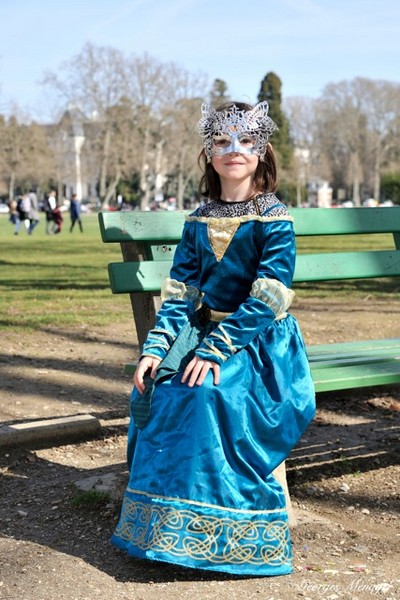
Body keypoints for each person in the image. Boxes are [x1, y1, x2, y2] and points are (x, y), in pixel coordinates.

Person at [111, 101, 316, 576]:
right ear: (209, 153)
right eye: (222, 141)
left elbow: (270, 295)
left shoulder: (274, 217)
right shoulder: (199, 217)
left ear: (263, 150)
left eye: (246, 141)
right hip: (204, 333)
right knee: (161, 389)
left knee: (209, 394)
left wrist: (216, 348)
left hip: (259, 343)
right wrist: (155, 350)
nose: (234, 150)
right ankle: (164, 532)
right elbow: (182, 294)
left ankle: (225, 537)